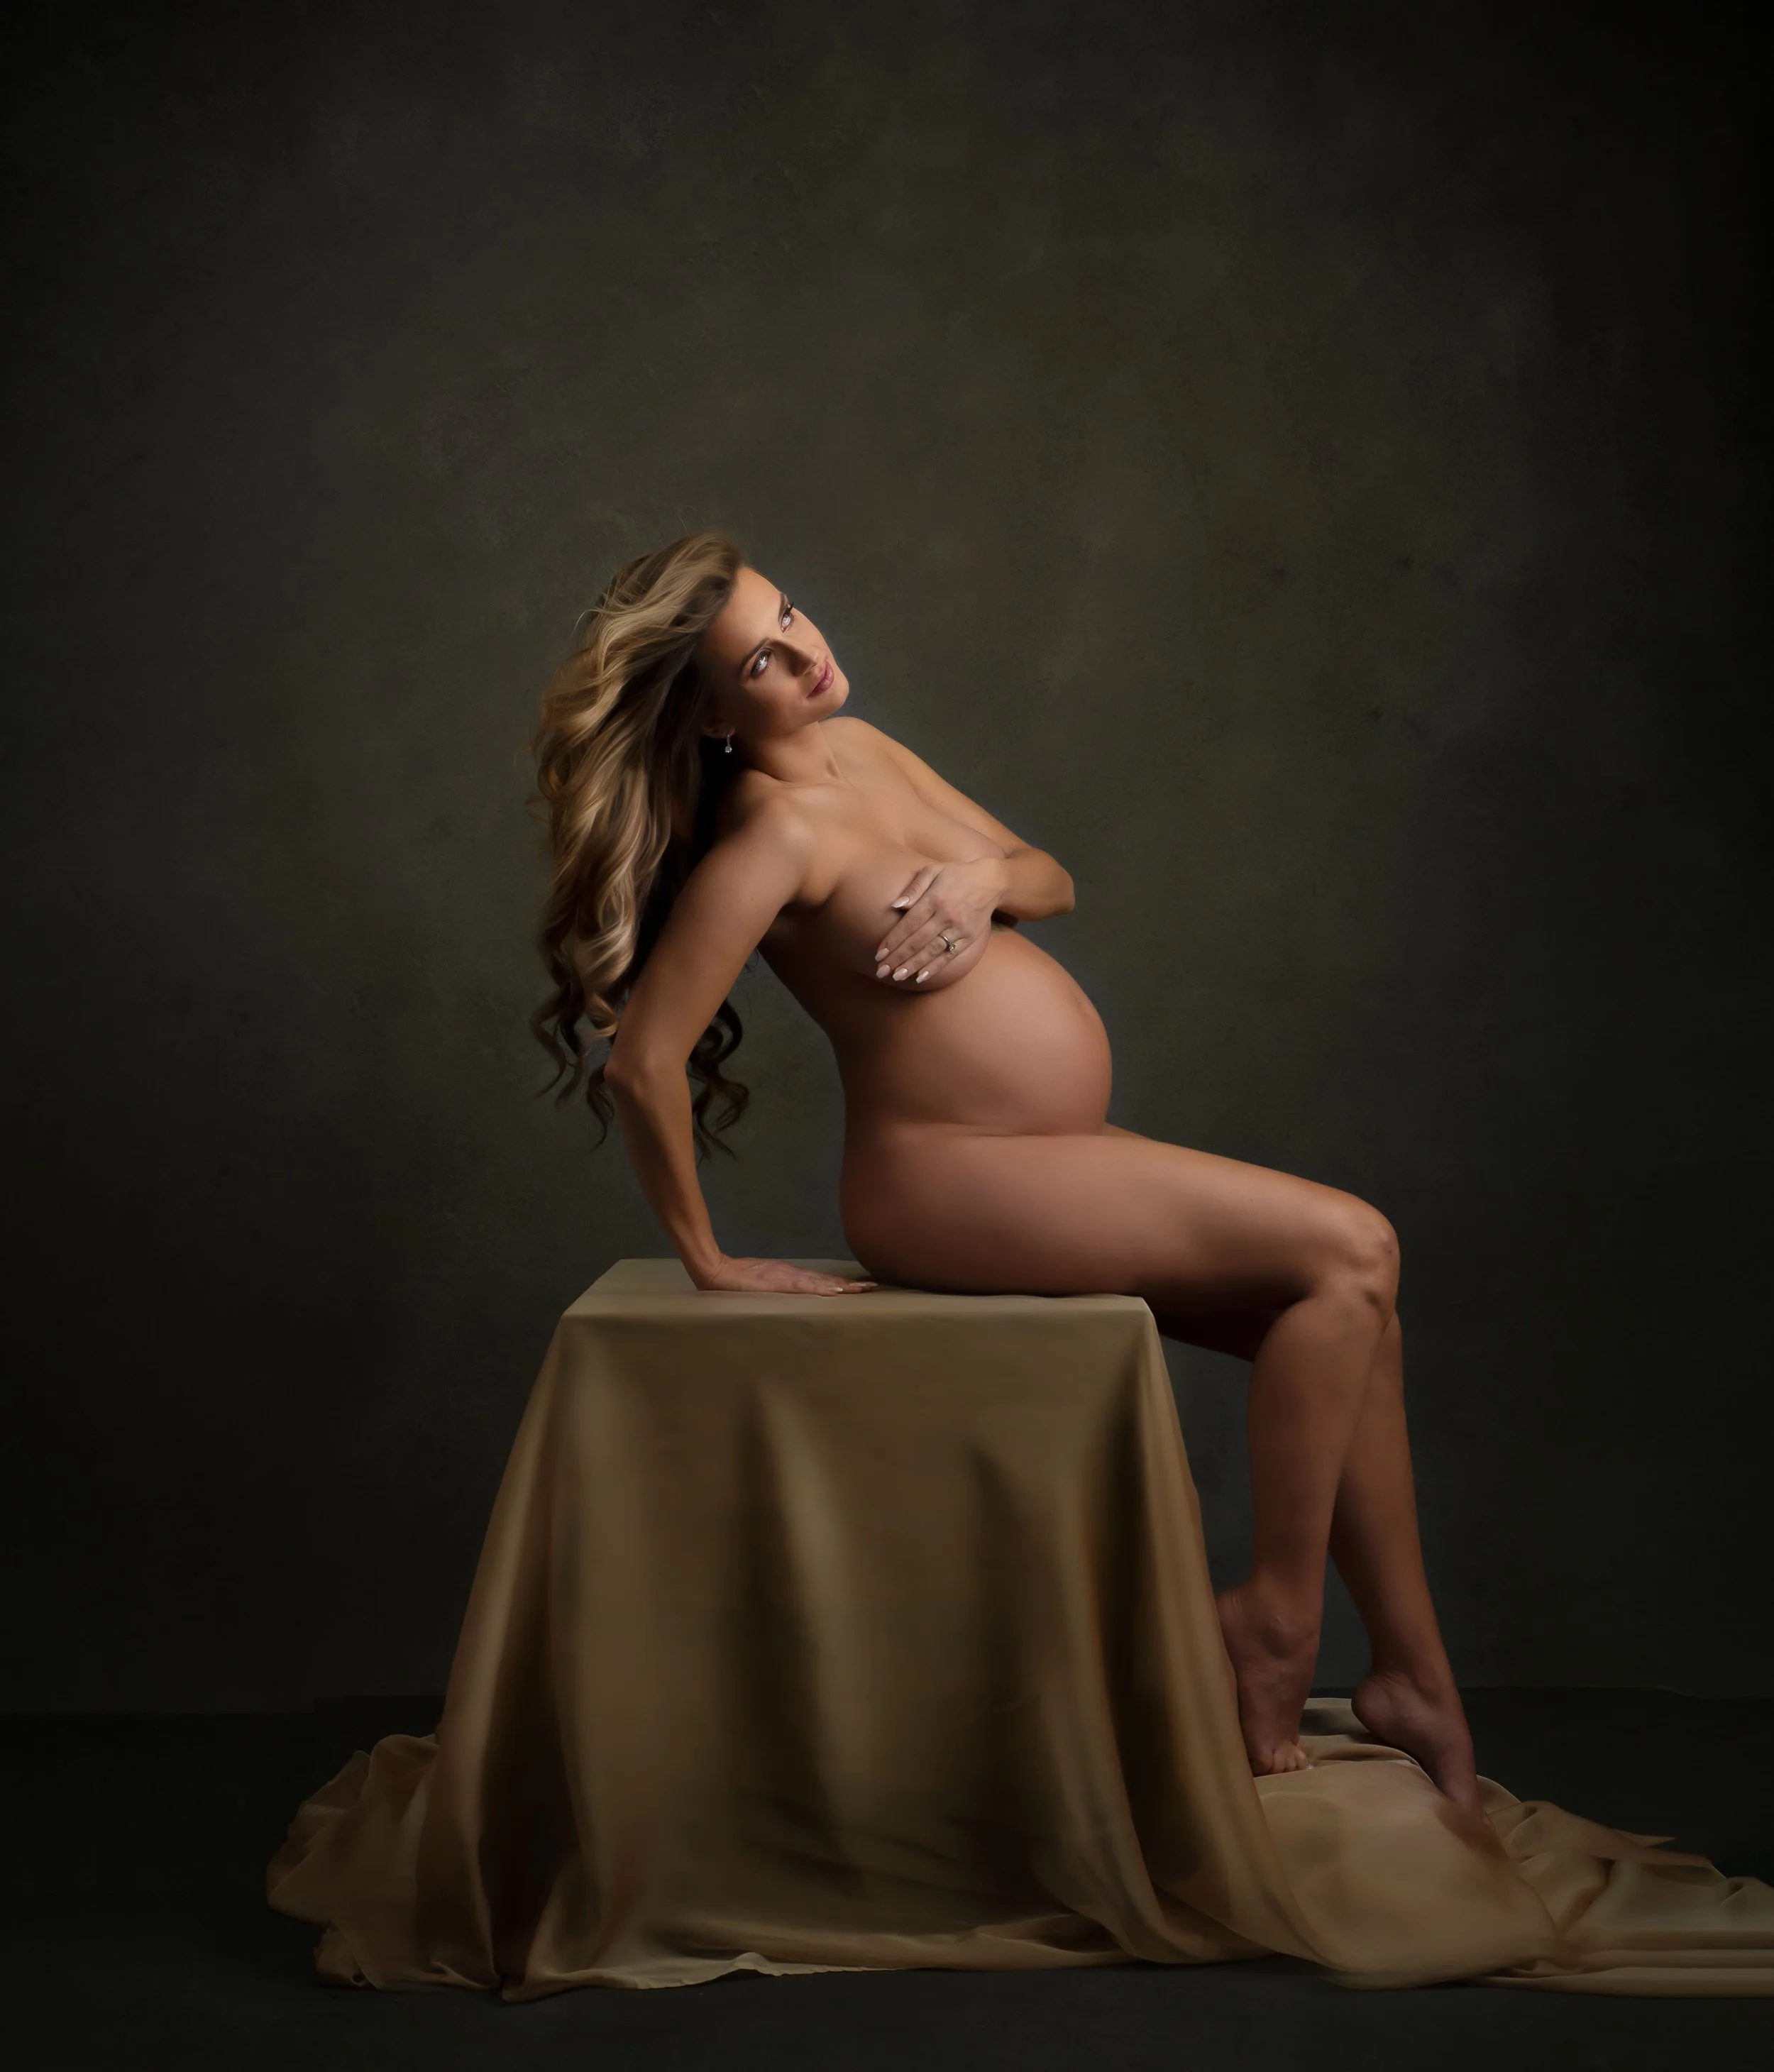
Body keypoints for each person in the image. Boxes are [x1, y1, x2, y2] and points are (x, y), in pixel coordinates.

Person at [530, 531, 1480, 1814]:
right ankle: (1272, 1621)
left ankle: (1413, 1677)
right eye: (765, 656)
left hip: (1052, 1154)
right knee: (1354, 1244)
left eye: (796, 614)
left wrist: (981, 886)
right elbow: (646, 1059)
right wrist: (710, 1260)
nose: (811, 654)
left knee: (1359, 1320)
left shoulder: (864, 753)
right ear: (707, 713)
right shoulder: (776, 834)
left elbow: (1054, 877)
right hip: (950, 1181)